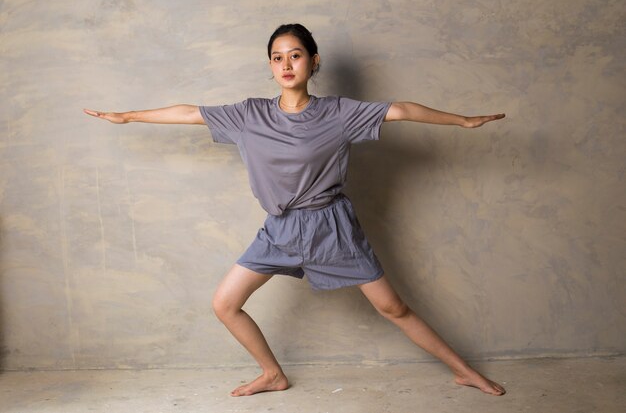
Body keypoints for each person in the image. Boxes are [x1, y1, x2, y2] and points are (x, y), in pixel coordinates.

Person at [84, 23, 506, 397]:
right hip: (280, 230)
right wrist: (128, 116)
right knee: (225, 303)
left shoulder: (339, 113)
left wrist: (463, 120)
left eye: (296, 55)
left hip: (332, 227)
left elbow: (401, 110)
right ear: (270, 65)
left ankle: (465, 372)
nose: (286, 64)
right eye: (277, 57)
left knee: (392, 308)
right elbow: (190, 112)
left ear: (313, 61)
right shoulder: (249, 115)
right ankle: (272, 374)